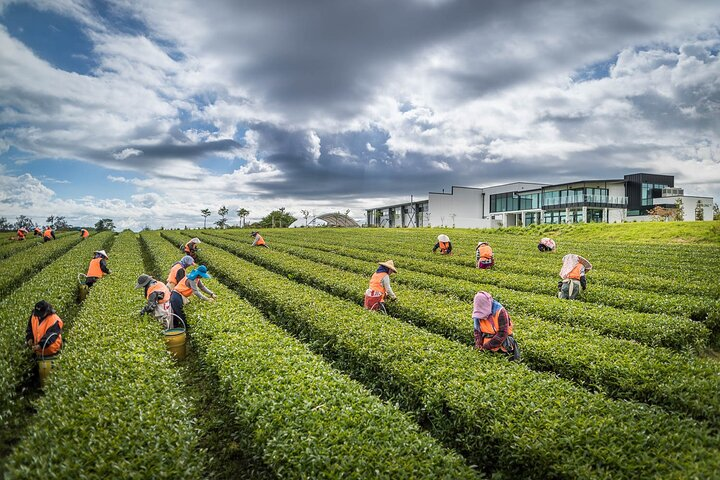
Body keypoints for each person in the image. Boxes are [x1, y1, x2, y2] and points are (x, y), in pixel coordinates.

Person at [472, 291, 520, 360]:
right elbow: (477, 331)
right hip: (487, 346)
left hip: (503, 345)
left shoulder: (500, 311)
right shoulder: (477, 313)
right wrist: (478, 345)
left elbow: (503, 333)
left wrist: (487, 346)